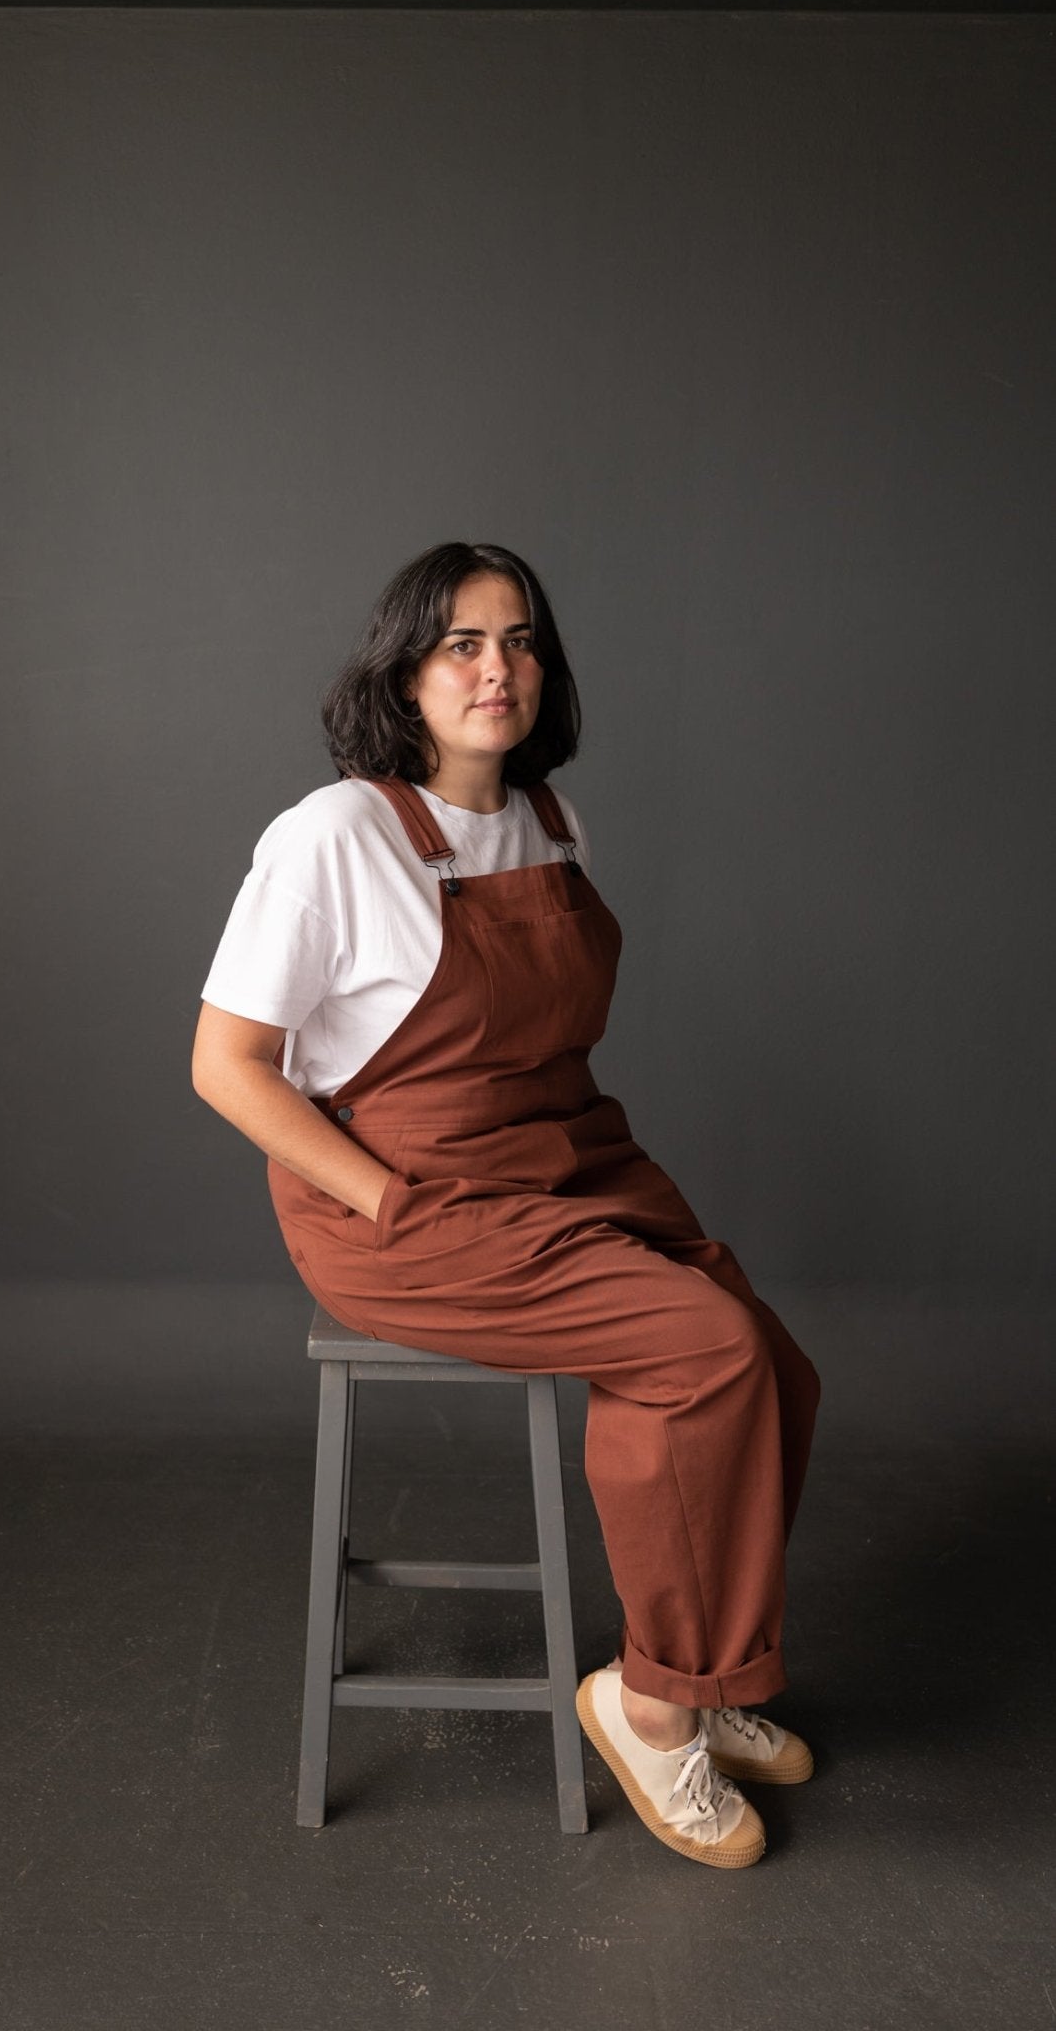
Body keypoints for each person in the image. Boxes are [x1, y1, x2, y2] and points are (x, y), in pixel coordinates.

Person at [191, 540, 822, 1870]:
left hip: (563, 1159)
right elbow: (224, 1065)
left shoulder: (549, 821)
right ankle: (653, 1705)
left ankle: (705, 1670)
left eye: (520, 641)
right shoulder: (334, 836)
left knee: (770, 1362)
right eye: (462, 644)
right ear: (403, 674)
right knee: (698, 1352)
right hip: (405, 1202)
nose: (498, 670)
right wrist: (380, 1199)